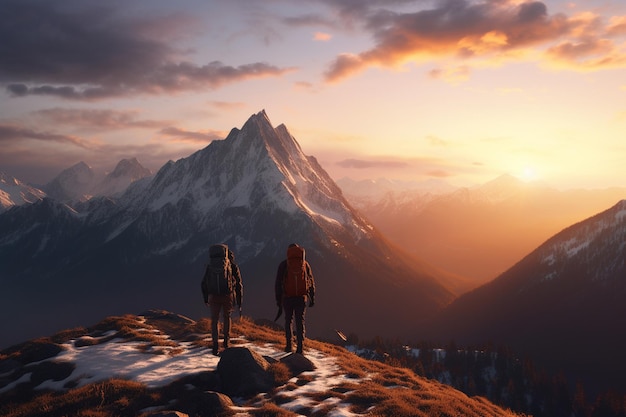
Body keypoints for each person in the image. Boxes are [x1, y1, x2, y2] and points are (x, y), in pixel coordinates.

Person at [202, 244, 243, 356]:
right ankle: (226, 342)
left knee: (214, 320)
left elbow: (204, 283)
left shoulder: (211, 266)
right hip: (227, 296)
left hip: (214, 296)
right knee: (226, 317)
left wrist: (206, 298)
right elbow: (239, 284)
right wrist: (239, 301)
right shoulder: (232, 266)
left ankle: (215, 345)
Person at [275, 243, 315, 354]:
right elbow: (310, 281)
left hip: (287, 297)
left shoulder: (284, 265)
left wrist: (278, 299)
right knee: (300, 321)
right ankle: (300, 348)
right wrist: (312, 296)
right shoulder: (304, 264)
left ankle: (289, 346)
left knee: (288, 321)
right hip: (301, 298)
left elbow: (278, 283)